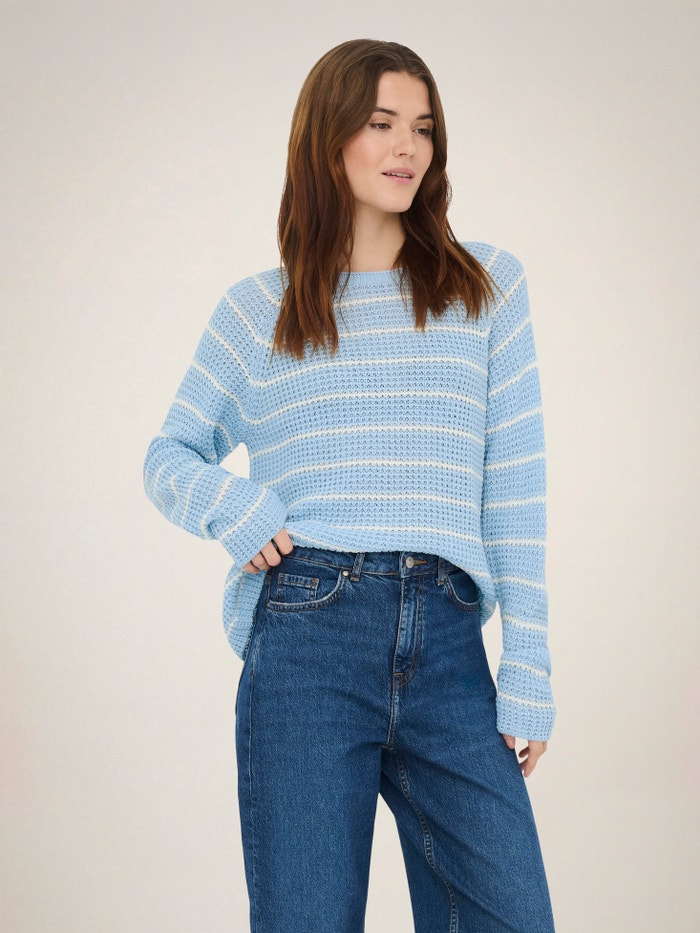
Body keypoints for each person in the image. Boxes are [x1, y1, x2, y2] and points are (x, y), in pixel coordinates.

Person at [143, 38, 556, 933]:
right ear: (328, 139)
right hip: (307, 638)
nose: (408, 147)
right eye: (381, 124)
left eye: (423, 127)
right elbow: (169, 454)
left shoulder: (486, 288)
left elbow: (516, 485)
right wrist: (235, 505)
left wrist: (528, 663)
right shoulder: (260, 308)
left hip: (449, 645)